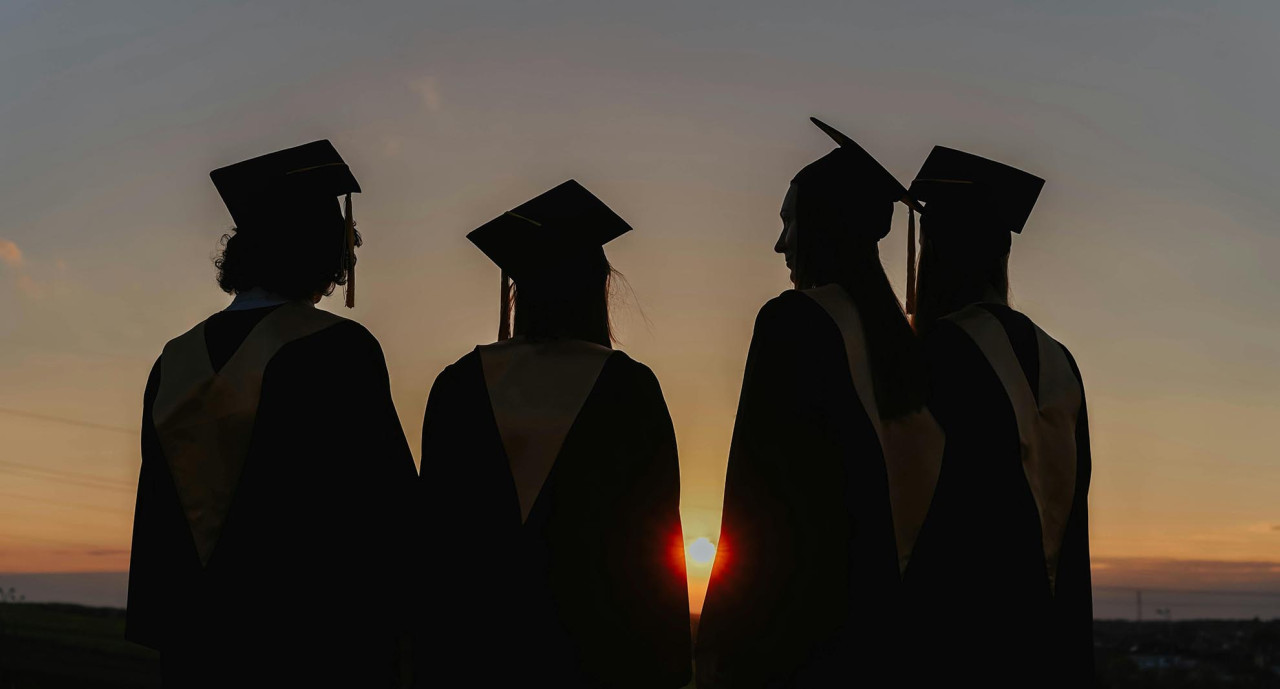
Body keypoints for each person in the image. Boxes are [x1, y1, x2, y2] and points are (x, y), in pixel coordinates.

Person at [126, 141, 417, 687]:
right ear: (325, 250)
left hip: (198, 640)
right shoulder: (340, 348)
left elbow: (159, 510)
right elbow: (383, 503)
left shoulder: (174, 358)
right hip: (311, 641)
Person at [696, 119, 943, 688]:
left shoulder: (794, 323)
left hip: (806, 642)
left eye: (789, 220)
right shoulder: (913, 352)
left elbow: (754, 501)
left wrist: (720, 646)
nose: (781, 242)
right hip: (901, 642)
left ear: (823, 226)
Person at [416, 180, 691, 688]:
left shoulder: (458, 384)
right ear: (597, 287)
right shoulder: (630, 389)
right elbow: (654, 549)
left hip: (471, 654)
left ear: (520, 289)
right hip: (595, 657)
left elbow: (431, 541)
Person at [903, 147, 1094, 687]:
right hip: (1049, 643)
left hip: (955, 644)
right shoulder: (1061, 359)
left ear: (934, 249)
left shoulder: (938, 352)